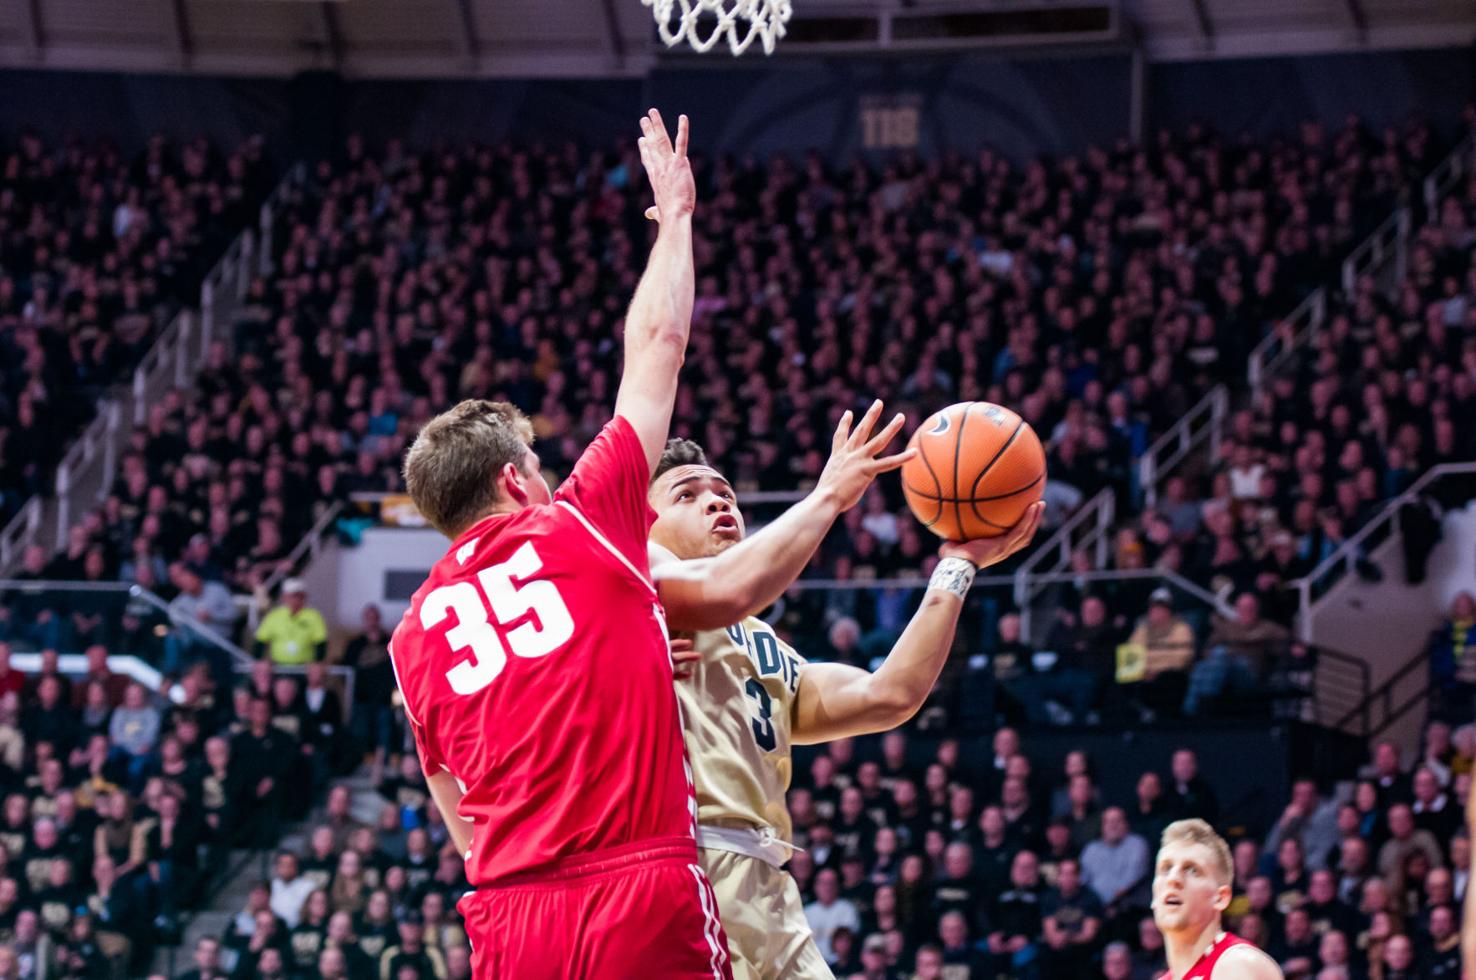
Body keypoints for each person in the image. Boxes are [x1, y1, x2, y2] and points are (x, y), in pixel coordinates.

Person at [387, 110, 731, 978]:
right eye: (533, 465)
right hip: (636, 886)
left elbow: (452, 801)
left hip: (509, 910)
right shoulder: (576, 522)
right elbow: (659, 344)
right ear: (513, 482)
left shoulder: (411, 637)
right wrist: (677, 219)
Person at [646, 432, 1043, 978]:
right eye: (686, 495)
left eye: (726, 494)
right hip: (684, 870)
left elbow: (890, 695)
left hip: (770, 886)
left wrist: (958, 566)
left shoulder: (764, 642)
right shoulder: (631, 588)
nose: (718, 502)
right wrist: (829, 492)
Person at [1151, 819, 1282, 979]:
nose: (1173, 879)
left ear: (1221, 898)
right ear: (1154, 898)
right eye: (1166, 868)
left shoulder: (1237, 965)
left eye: (1192, 870)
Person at [253, 579, 327, 666]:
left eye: (298, 595)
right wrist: (259, 661)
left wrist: (317, 662)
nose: (295, 598)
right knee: (263, 669)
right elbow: (260, 641)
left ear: (304, 596)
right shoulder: (274, 616)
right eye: (292, 595)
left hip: (304, 667)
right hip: (278, 666)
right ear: (284, 597)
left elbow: (321, 642)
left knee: (316, 670)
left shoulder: (314, 616)